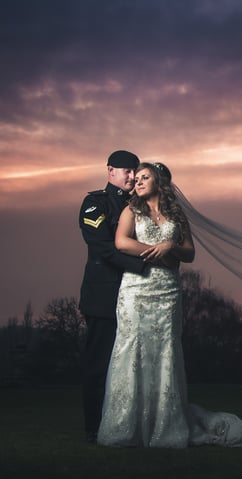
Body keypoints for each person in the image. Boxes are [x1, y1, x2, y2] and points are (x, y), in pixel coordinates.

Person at [97, 162, 242, 448]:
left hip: (168, 292)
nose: (137, 182)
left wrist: (171, 246)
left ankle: (164, 424)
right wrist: (159, 253)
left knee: (165, 352)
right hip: (137, 291)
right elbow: (121, 243)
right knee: (132, 351)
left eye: (144, 177)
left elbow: (190, 253)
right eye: (136, 178)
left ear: (160, 182)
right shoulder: (131, 211)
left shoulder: (176, 215)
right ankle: (126, 427)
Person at [78, 150, 145, 444]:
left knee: (131, 362)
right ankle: (94, 426)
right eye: (125, 170)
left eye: (134, 170)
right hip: (104, 295)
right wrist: (141, 265)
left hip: (135, 294)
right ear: (110, 171)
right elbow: (103, 248)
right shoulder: (95, 203)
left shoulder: (140, 204)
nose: (131, 176)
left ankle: (126, 422)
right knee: (99, 363)